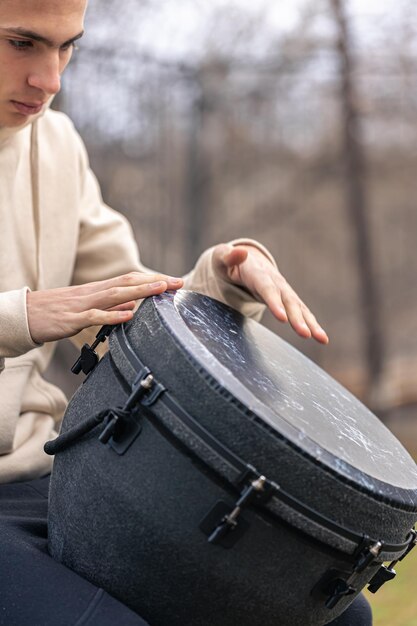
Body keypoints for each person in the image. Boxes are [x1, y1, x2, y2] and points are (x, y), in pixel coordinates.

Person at [0, 1, 371, 625]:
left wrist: (220, 280)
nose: (51, 78)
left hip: (51, 471)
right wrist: (23, 316)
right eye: (21, 43)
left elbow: (115, 312)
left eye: (68, 48)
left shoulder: (56, 142)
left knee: (334, 615)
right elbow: (45, 314)